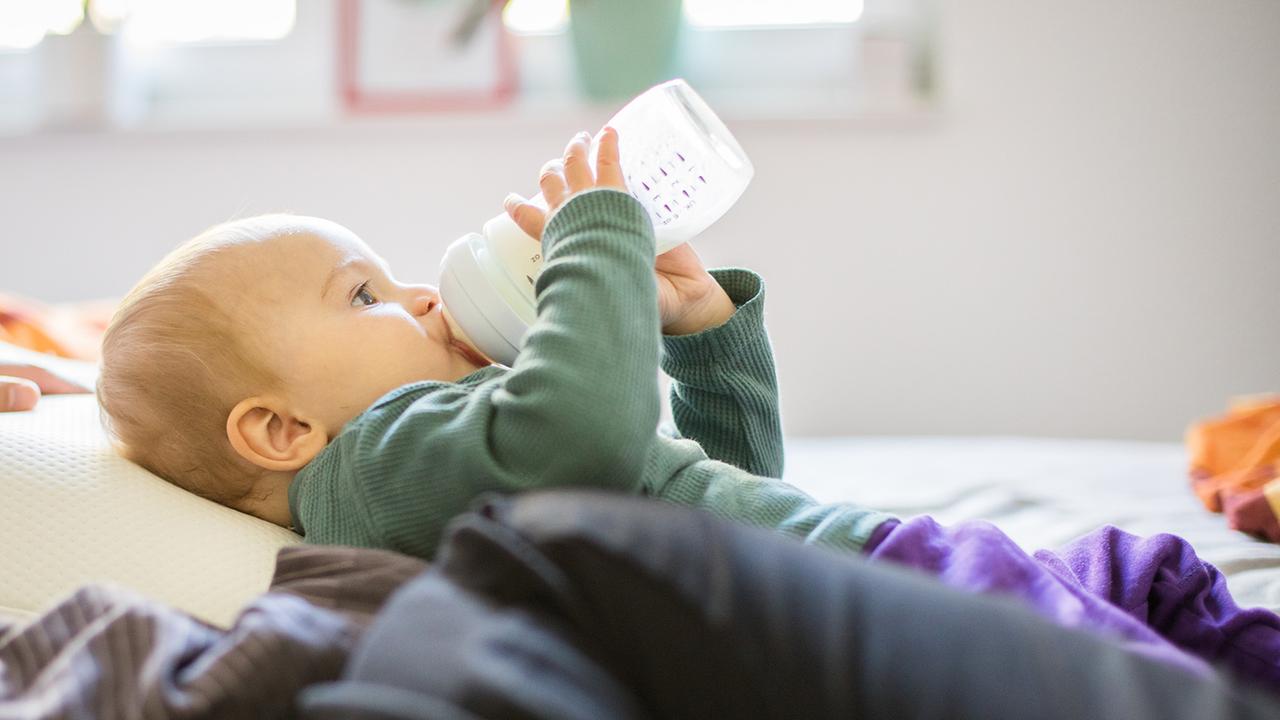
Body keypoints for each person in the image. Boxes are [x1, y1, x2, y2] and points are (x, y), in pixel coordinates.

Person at [95, 127, 1280, 693]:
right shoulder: (371, 471)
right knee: (1097, 658)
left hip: (863, 558)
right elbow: (590, 430)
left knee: (1141, 576)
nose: (414, 292)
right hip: (896, 582)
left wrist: (709, 337)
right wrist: (593, 236)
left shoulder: (467, 439)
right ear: (278, 431)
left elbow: (735, 485)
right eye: (362, 293)